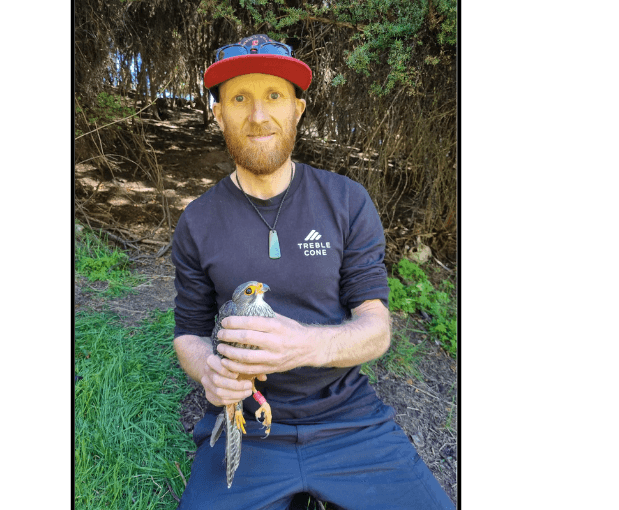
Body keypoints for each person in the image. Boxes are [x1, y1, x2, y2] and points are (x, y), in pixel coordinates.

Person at [171, 34, 454, 510]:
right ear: (218, 113)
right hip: (246, 420)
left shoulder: (346, 201)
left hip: (350, 420)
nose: (258, 116)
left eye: (274, 96)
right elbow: (189, 334)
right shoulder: (198, 221)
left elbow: (376, 328)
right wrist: (210, 372)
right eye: (240, 98)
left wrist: (304, 344)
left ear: (298, 109)